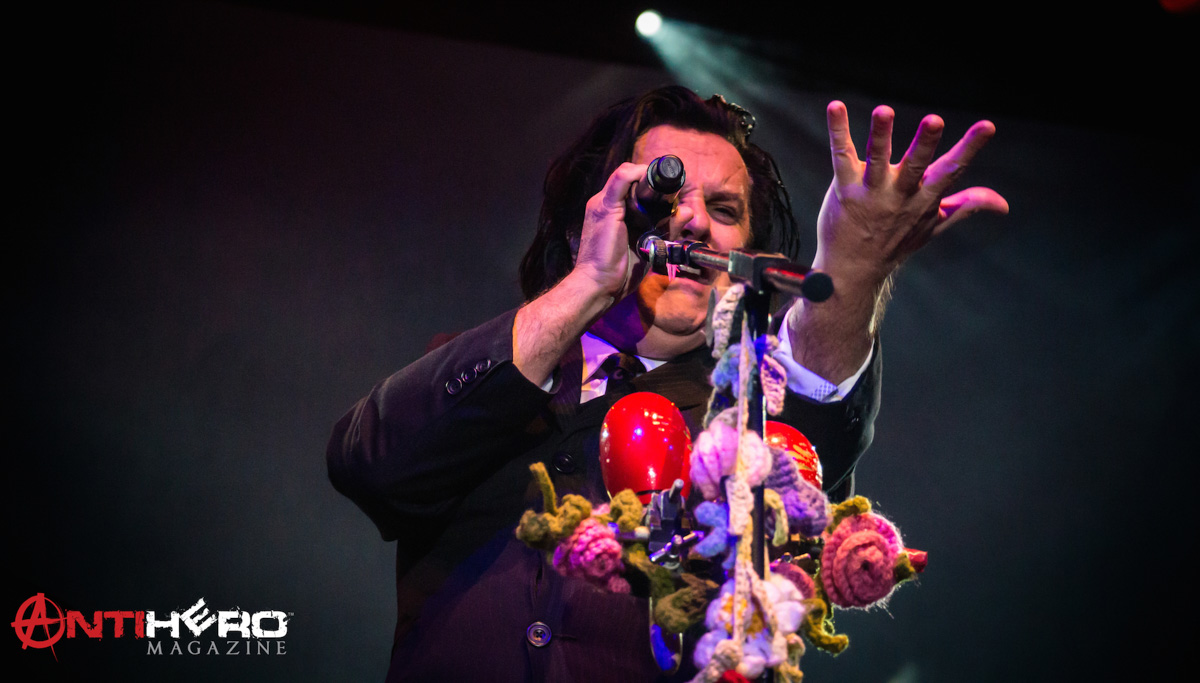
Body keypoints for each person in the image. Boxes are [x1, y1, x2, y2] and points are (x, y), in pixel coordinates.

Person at [327, 86, 1006, 682]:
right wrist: (589, 283)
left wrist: (854, 267)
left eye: (724, 208)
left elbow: (815, 407)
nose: (693, 220)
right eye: (662, 194)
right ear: (586, 221)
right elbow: (370, 466)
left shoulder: (749, 414)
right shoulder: (496, 368)